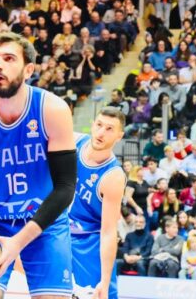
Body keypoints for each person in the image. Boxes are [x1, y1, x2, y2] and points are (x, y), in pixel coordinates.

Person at [0, 33, 77, 297]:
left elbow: (65, 187)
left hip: (44, 222)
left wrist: (17, 243)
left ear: (29, 69)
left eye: (9, 59)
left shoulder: (52, 110)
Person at [69, 107, 125, 299]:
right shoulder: (74, 141)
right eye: (99, 125)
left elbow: (108, 232)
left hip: (88, 242)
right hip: (60, 231)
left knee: (100, 294)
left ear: (119, 136)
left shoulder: (113, 176)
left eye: (109, 129)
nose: (101, 133)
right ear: (92, 125)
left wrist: (105, 281)